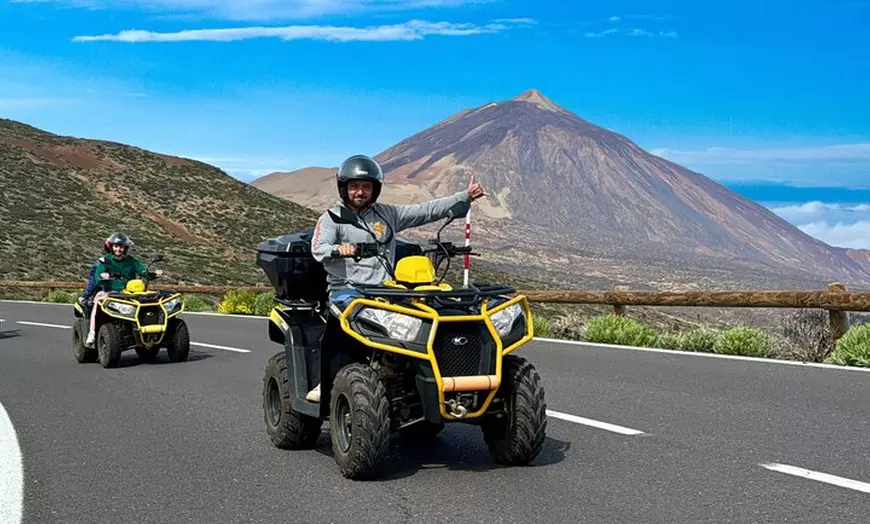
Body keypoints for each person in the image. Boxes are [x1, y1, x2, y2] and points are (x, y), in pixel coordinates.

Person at [306, 154, 487, 401]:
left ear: (375, 189)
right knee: (343, 323)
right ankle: (325, 380)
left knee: (424, 317)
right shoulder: (332, 218)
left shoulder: (386, 215)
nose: (360, 192)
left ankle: (420, 379)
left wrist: (463, 197)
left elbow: (425, 211)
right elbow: (319, 248)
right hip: (348, 291)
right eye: (355, 187)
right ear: (344, 188)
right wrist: (339, 249)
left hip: (386, 290)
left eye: (366, 187)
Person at [83, 232, 161, 347]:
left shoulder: (131, 261)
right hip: (111, 292)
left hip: (129, 293)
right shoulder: (105, 261)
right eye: (116, 246)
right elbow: (98, 277)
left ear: (125, 248)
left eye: (121, 247)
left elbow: (143, 271)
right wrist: (103, 276)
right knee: (98, 299)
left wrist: (154, 274)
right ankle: (92, 332)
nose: (118, 249)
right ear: (111, 247)